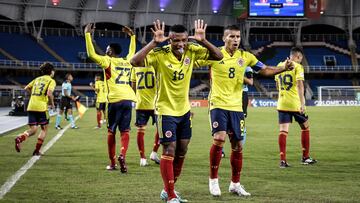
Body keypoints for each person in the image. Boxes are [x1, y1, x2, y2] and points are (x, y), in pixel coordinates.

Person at [131, 19, 223, 203]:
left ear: (187, 40)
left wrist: (203, 41)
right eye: (175, 40)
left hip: (184, 111)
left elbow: (219, 56)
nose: (180, 44)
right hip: (165, 110)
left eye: (183, 40)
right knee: (170, 149)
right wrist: (154, 42)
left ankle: (168, 190)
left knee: (182, 149)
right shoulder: (159, 53)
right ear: (169, 40)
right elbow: (134, 61)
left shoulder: (192, 51)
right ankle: (171, 195)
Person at [195, 25, 294, 197]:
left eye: (238, 37)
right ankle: (213, 181)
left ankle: (235, 184)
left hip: (236, 106)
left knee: (238, 146)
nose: (235, 40)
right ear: (224, 38)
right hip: (218, 104)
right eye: (232, 36)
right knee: (219, 139)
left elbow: (265, 70)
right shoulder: (214, 54)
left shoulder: (246, 57)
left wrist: (284, 67)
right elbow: (191, 61)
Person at [85, 23, 137, 173]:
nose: (105, 50)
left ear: (111, 51)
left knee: (111, 131)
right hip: (128, 99)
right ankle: (122, 154)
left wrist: (88, 35)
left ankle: (113, 163)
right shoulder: (128, 61)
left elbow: (91, 54)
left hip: (114, 100)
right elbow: (132, 51)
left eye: (107, 48)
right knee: (125, 131)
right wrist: (132, 36)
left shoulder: (107, 61)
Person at [275, 47, 317, 168]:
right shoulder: (298, 67)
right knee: (305, 127)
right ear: (298, 57)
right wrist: (302, 103)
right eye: (301, 59)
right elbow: (300, 85)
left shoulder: (280, 64)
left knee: (283, 131)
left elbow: (277, 85)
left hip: (282, 103)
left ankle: (282, 161)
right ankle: (305, 157)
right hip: (295, 103)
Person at [15, 62, 56, 156]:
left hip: (31, 106)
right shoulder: (51, 80)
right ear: (51, 71)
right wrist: (52, 104)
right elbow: (49, 94)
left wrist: (33, 95)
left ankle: (20, 138)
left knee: (33, 129)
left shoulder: (37, 79)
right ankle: (36, 151)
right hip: (42, 107)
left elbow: (26, 88)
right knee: (44, 129)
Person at [131, 66, 161, 166]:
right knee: (161, 129)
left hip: (141, 104)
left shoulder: (135, 66)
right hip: (156, 104)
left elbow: (133, 86)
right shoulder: (156, 65)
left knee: (140, 131)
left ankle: (142, 158)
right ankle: (154, 152)